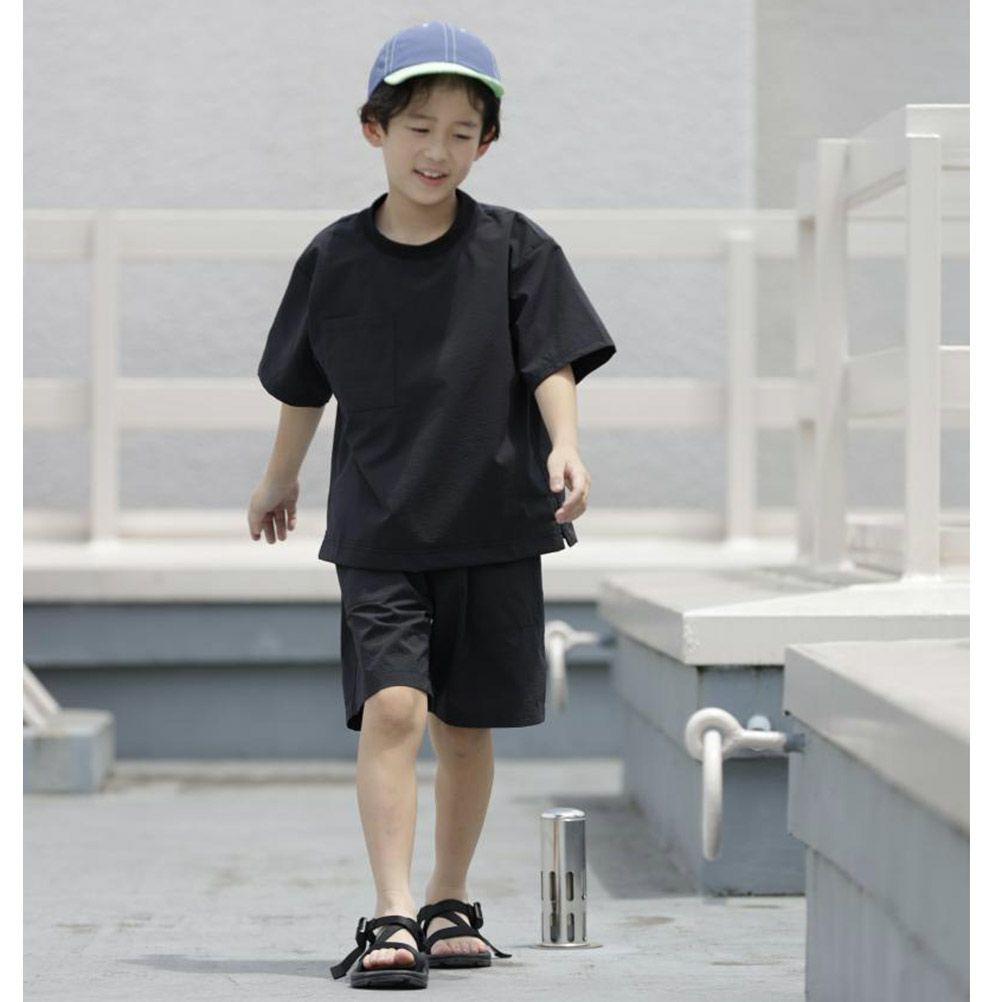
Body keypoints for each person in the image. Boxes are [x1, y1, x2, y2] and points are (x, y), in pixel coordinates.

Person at [247, 20, 616, 990]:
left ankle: (450, 899)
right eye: (418, 127)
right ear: (374, 129)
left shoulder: (514, 247)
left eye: (461, 133)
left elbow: (551, 359)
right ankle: (391, 911)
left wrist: (566, 443)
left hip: (492, 520)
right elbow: (304, 383)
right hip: (379, 526)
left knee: (464, 724)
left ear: (486, 143)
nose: (437, 150)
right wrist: (281, 476)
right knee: (395, 707)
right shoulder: (334, 258)